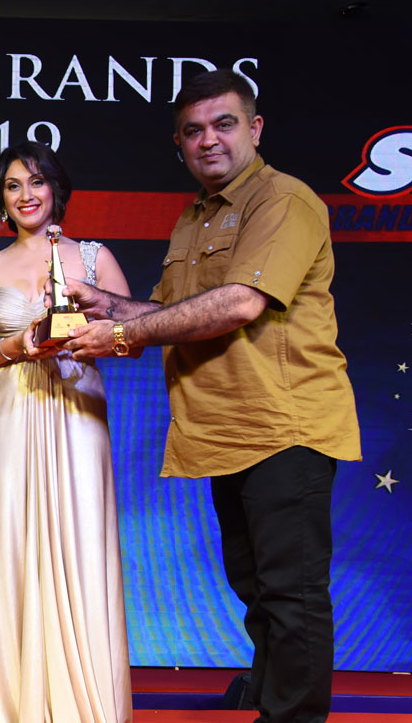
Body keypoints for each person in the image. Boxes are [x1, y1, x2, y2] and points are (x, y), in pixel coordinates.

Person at [63, 69, 362, 723]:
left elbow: (239, 303)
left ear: (255, 128)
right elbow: (172, 314)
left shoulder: (283, 199)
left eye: (224, 124)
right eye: (193, 130)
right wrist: (107, 304)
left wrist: (121, 331)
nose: (209, 140)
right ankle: (272, 701)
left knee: (291, 592)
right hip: (225, 430)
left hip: (286, 424)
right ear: (179, 144)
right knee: (257, 589)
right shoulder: (194, 219)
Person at [0, 141, 134, 722]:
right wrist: (18, 345)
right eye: (13, 186)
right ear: (0, 200)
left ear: (56, 189)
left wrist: (91, 336)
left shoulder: (94, 257)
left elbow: (136, 336)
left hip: (78, 411)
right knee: (11, 552)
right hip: (9, 415)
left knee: (83, 548)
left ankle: (89, 706)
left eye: (36, 182)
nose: (26, 195)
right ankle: (15, 708)